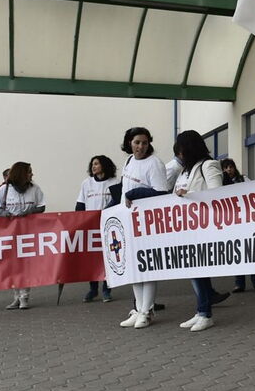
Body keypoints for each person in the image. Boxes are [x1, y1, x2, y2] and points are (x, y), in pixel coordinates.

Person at [172, 130, 224, 332]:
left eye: (181, 149)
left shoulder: (208, 165)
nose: (179, 153)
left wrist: (189, 194)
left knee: (199, 270)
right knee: (193, 271)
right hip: (186, 227)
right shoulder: (184, 171)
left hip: (203, 226)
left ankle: (205, 313)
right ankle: (201, 310)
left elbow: (218, 194)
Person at [118, 127, 168, 329]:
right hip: (127, 219)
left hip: (146, 222)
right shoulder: (129, 161)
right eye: (137, 142)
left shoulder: (154, 163)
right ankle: (139, 309)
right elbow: (124, 190)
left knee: (146, 266)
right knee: (133, 267)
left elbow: (162, 193)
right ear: (129, 143)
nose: (141, 146)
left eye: (145, 143)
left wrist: (137, 193)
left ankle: (147, 311)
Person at [0, 162, 45, 310]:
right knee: (13, 265)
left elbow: (41, 206)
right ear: (21, 174)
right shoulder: (4, 189)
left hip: (28, 232)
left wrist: (29, 212)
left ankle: (24, 297)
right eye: (29, 172)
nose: (32, 174)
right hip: (10, 233)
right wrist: (6, 215)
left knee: (25, 264)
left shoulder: (35, 189)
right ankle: (16, 297)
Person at [76, 155, 120, 303]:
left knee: (108, 257)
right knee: (92, 259)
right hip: (91, 226)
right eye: (92, 164)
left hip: (108, 225)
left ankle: (107, 289)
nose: (93, 167)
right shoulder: (86, 183)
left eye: (96, 164)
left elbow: (118, 203)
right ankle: (93, 289)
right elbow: (80, 205)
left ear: (104, 165)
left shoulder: (115, 182)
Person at [221, 159, 255, 292]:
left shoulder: (243, 179)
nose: (228, 170)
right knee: (237, 253)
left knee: (252, 251)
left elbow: (254, 193)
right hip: (232, 222)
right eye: (225, 168)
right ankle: (239, 283)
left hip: (247, 220)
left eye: (230, 167)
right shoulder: (220, 183)